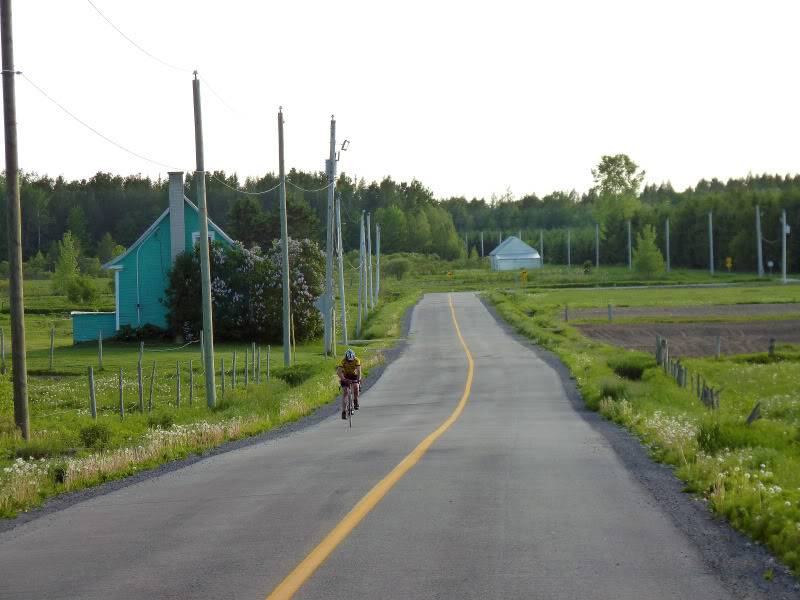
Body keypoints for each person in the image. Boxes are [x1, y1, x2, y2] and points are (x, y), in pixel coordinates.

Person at [337, 348, 361, 419]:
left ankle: (355, 400)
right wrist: (343, 379)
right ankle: (344, 412)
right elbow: (339, 372)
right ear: (346, 358)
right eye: (349, 361)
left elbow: (359, 371)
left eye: (351, 361)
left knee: (356, 387)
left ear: (354, 357)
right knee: (345, 393)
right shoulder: (343, 361)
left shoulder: (357, 360)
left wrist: (358, 380)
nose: (350, 362)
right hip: (345, 376)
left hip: (353, 375)